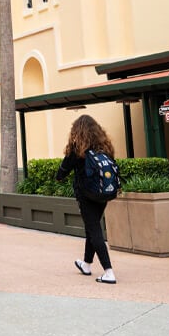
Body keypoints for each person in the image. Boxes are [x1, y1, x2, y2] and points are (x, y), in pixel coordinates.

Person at [56, 114, 118, 284]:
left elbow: (61, 173)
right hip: (103, 193)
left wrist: (60, 174)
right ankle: (87, 264)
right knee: (92, 228)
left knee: (95, 230)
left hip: (86, 195)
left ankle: (108, 271)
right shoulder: (105, 147)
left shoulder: (77, 149)